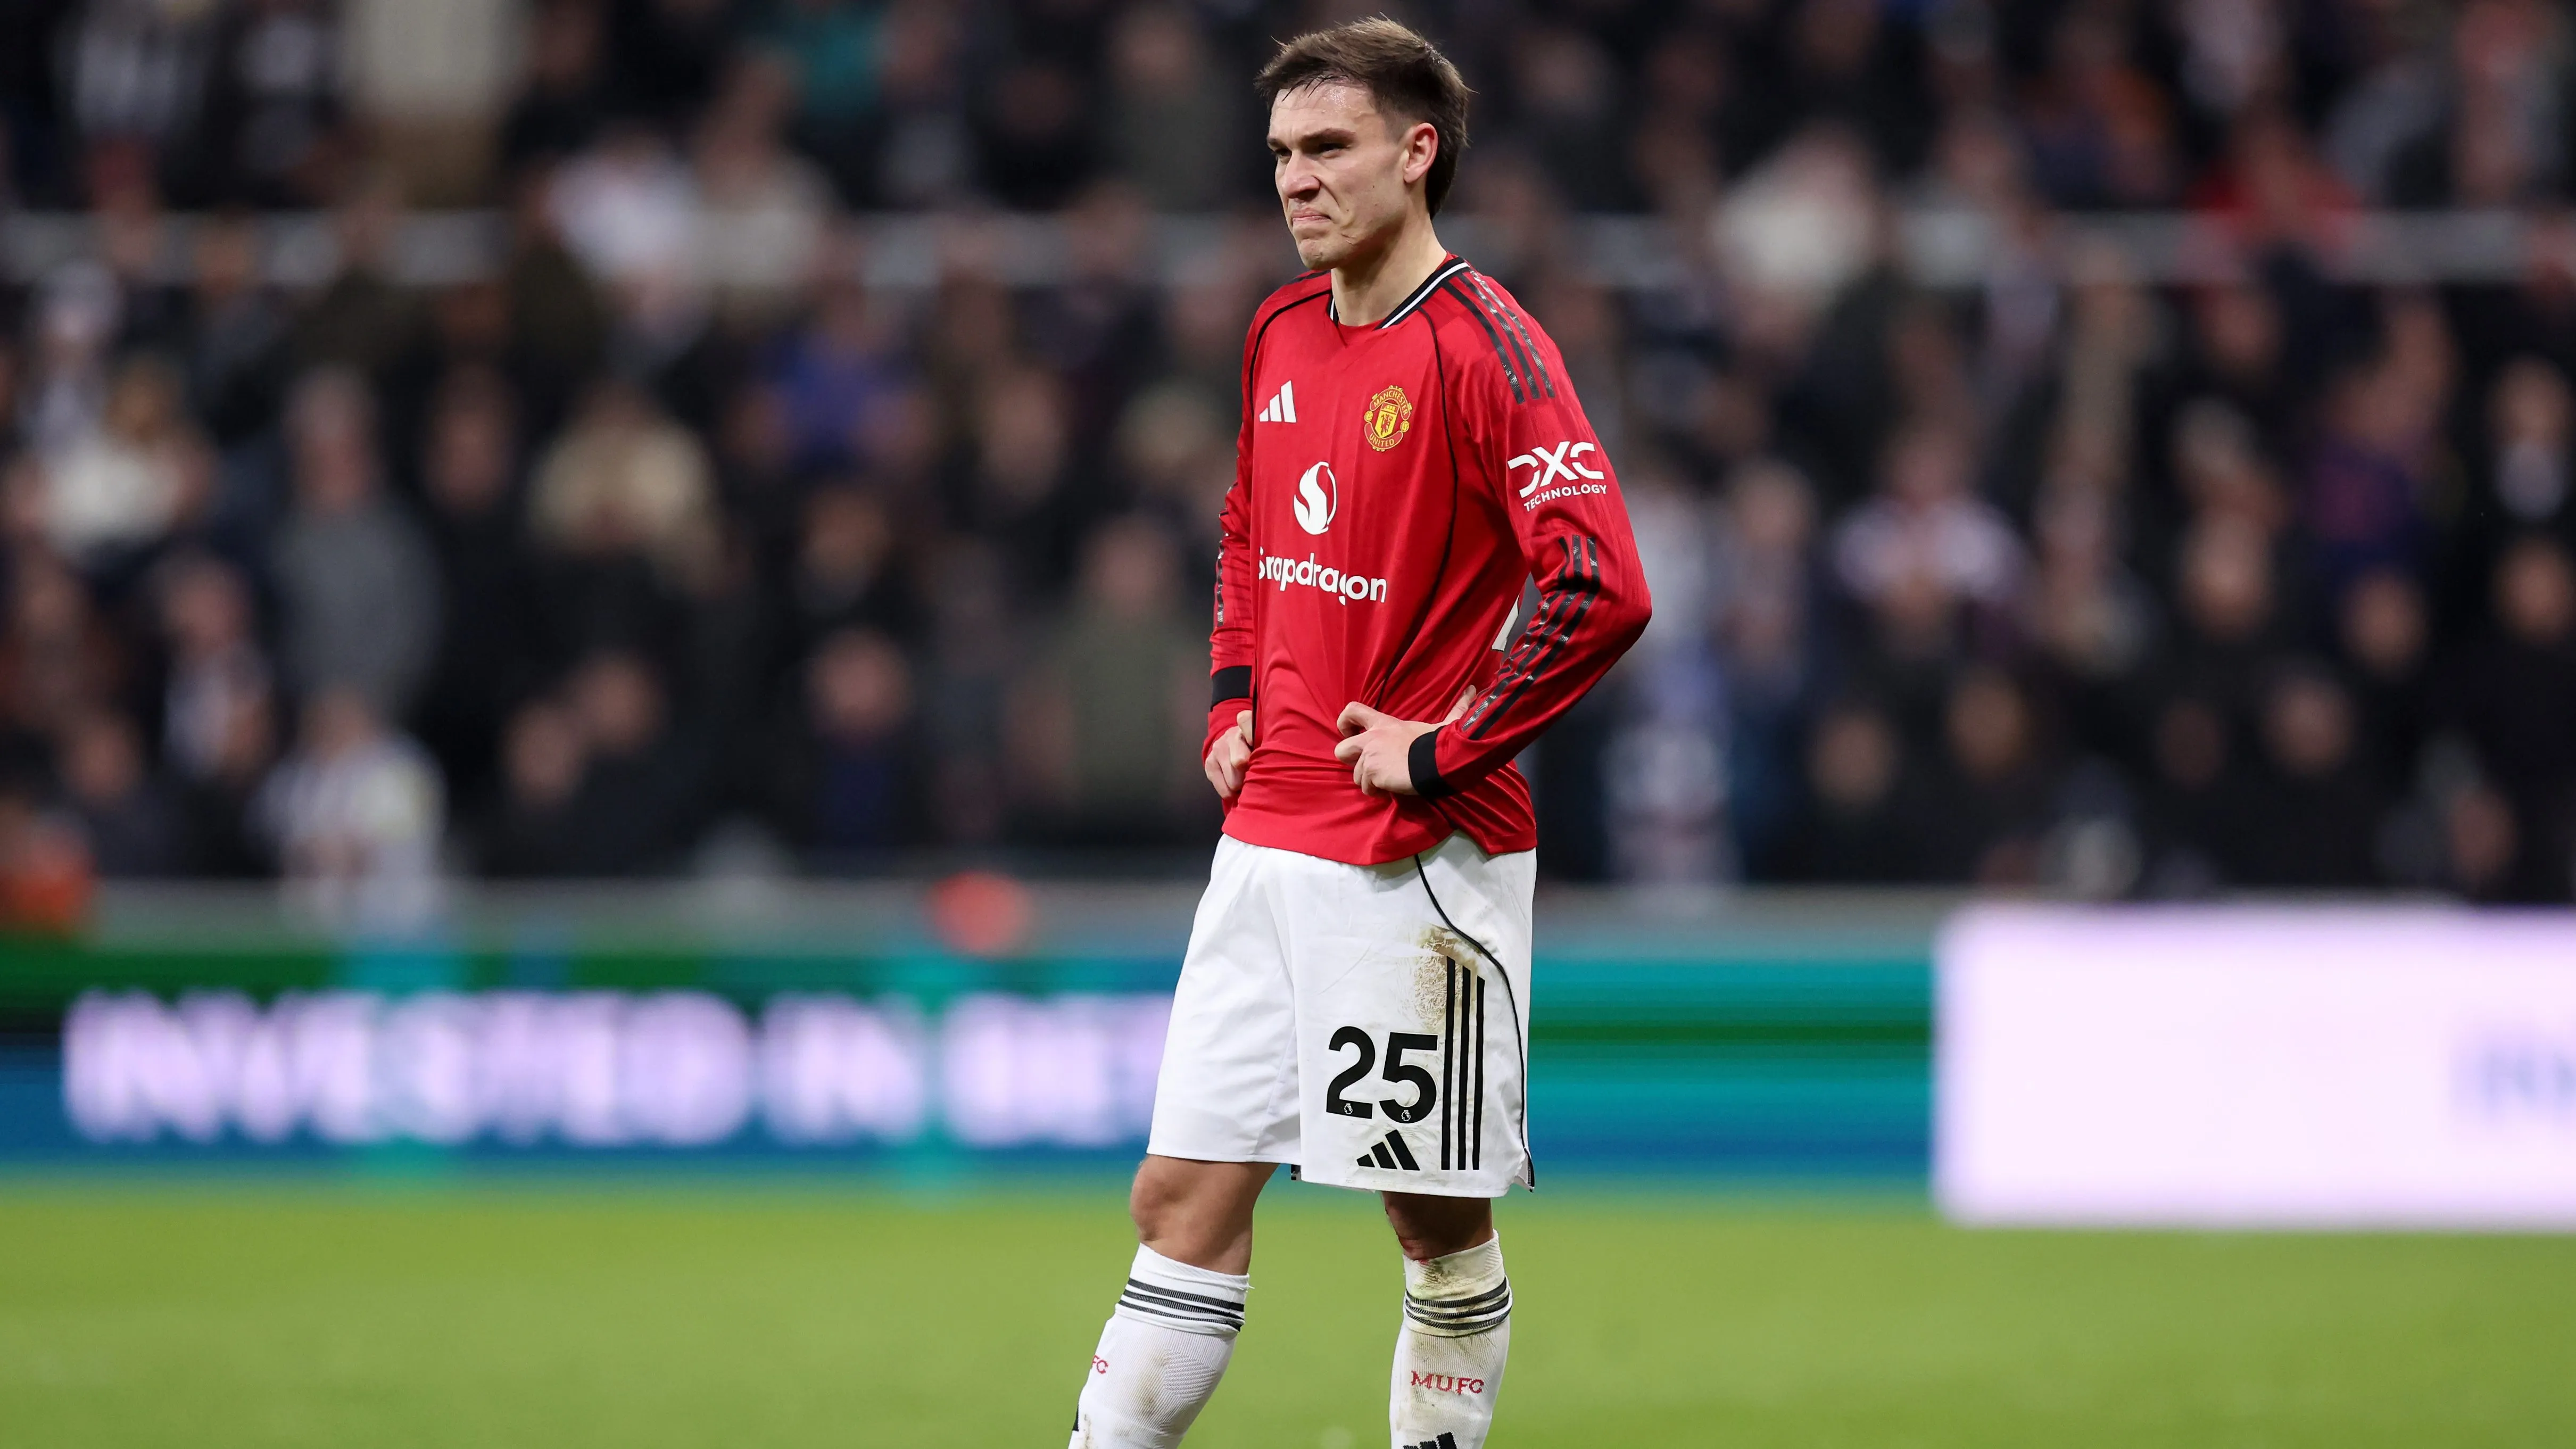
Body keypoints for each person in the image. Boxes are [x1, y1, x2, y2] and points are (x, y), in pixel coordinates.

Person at [1065, 21, 1652, 1449]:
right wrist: (1233, 694)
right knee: (1179, 1198)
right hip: (1267, 835)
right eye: (1281, 153)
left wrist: (1448, 745)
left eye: (1328, 147)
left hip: (1418, 859)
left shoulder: (1488, 347)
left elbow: (1602, 584)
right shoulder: (1279, 329)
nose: (1297, 179)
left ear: (1417, 152)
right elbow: (1250, 525)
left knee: (1432, 1224)